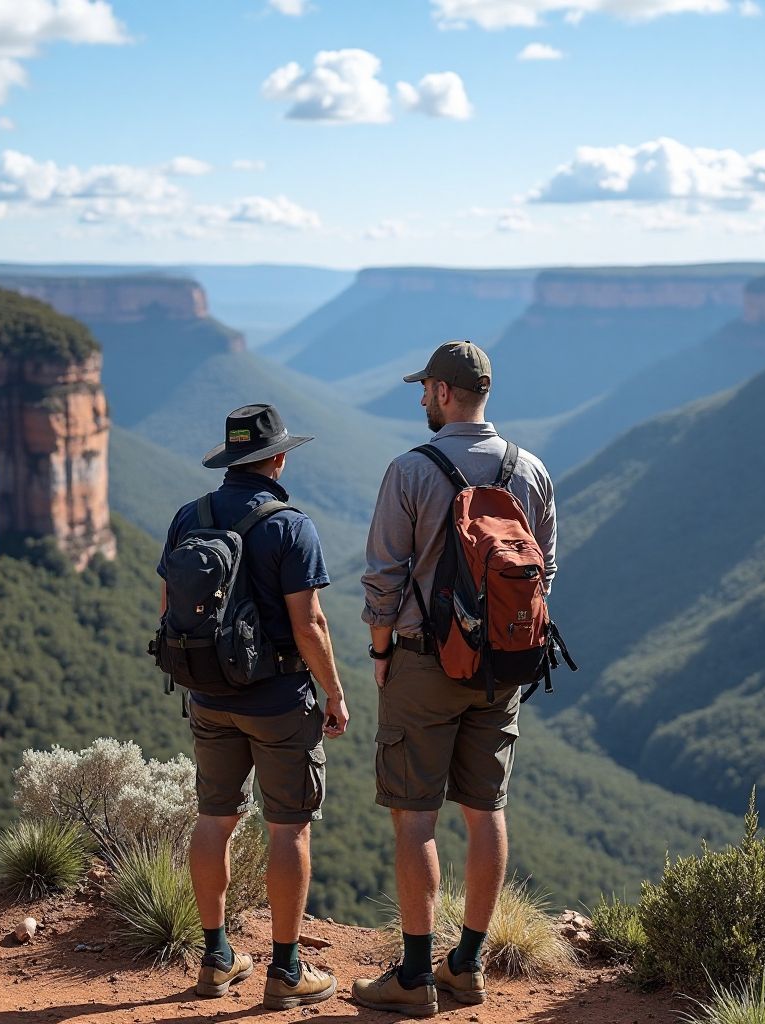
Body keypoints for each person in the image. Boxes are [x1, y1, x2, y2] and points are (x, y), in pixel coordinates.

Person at [353, 341, 557, 1017]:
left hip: (424, 662)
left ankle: (414, 978)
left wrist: (382, 654)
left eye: (425, 390)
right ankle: (467, 966)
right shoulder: (531, 469)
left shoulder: (410, 470)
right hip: (504, 668)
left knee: (415, 816)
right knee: (486, 810)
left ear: (443, 393)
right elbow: (543, 574)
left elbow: (384, 574)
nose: (420, 399)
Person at [156, 404, 348, 1012]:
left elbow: (167, 605)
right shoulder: (292, 526)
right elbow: (310, 624)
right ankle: (286, 969)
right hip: (278, 700)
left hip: (208, 696)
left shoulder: (191, 516)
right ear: (280, 456)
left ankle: (216, 958)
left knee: (215, 817)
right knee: (287, 825)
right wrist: (335, 694)